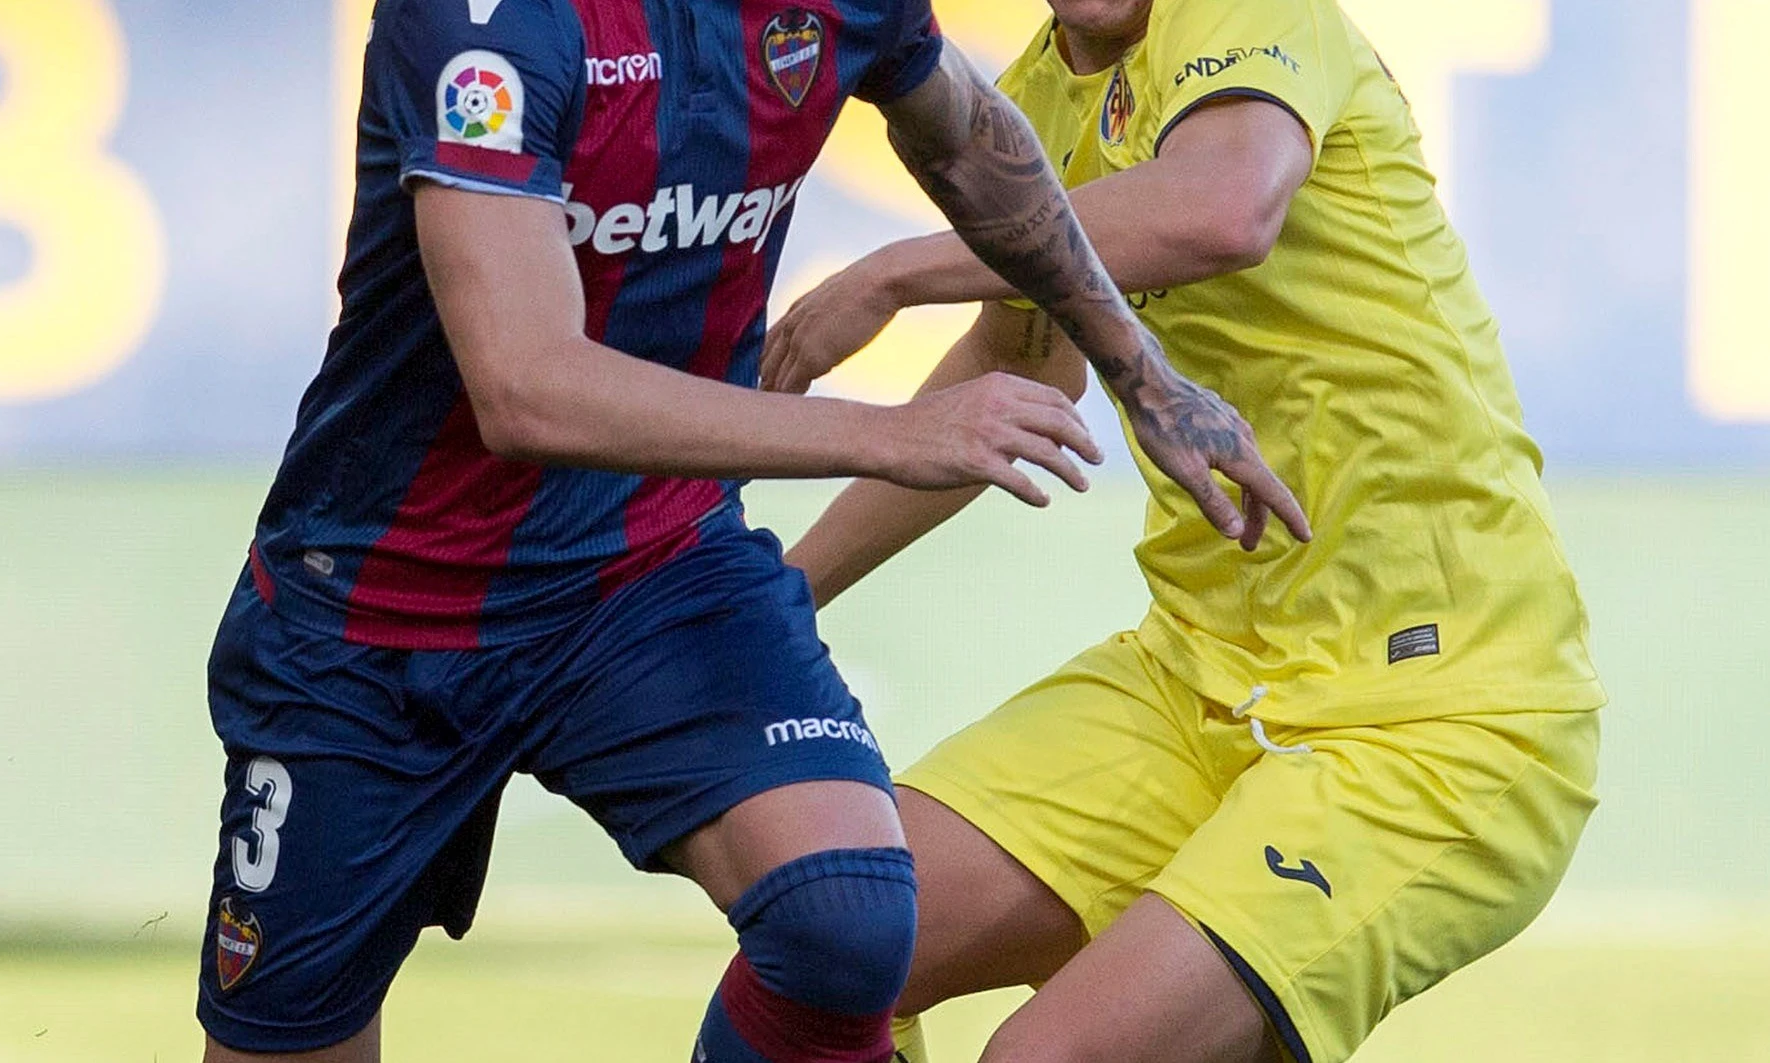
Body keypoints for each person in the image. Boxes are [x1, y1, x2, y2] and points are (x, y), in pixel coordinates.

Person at [196, 0, 1305, 1060]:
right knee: (290, 1041)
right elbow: (526, 389)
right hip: (383, 608)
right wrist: (884, 432)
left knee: (848, 919)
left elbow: (972, 142)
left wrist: (1140, 371)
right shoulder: (485, 24)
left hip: (652, 571)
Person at [765, 1, 1607, 1061]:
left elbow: (1224, 206)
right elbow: (1026, 365)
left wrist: (895, 272)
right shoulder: (1029, 98)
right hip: (1194, 678)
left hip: (1437, 716)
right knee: (826, 946)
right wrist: (785, 593)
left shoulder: (1256, 12)